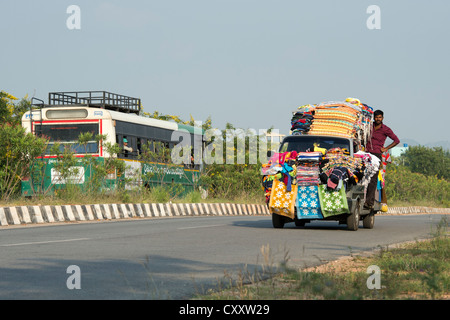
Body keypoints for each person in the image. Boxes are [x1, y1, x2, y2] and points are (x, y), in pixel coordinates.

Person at [364, 110, 400, 209]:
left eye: (380, 117)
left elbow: (396, 140)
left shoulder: (386, 129)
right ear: (373, 118)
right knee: (363, 176)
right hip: (366, 154)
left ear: (382, 118)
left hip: (376, 155)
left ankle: (369, 202)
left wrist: (385, 148)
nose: (378, 119)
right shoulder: (368, 127)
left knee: (373, 178)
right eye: (376, 117)